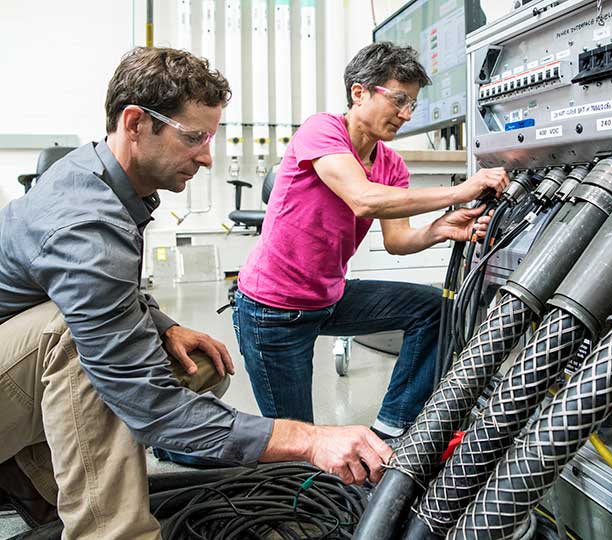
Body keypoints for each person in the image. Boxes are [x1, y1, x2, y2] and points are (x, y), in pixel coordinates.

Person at [0, 47, 391, 539]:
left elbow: (82, 286)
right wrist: (309, 440)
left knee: (192, 365)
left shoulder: (94, 174)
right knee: (79, 345)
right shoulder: (88, 224)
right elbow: (149, 404)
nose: (207, 156)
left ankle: (33, 477)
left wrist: (165, 325)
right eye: (194, 137)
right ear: (136, 122)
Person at [234, 42, 510, 439]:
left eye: (412, 104)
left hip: (327, 299)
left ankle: (390, 430)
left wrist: (440, 229)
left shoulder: (391, 164)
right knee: (297, 447)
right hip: (272, 310)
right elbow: (363, 199)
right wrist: (459, 191)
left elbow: (397, 240)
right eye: (399, 100)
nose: (406, 114)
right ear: (359, 92)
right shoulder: (322, 130)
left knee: (433, 311)